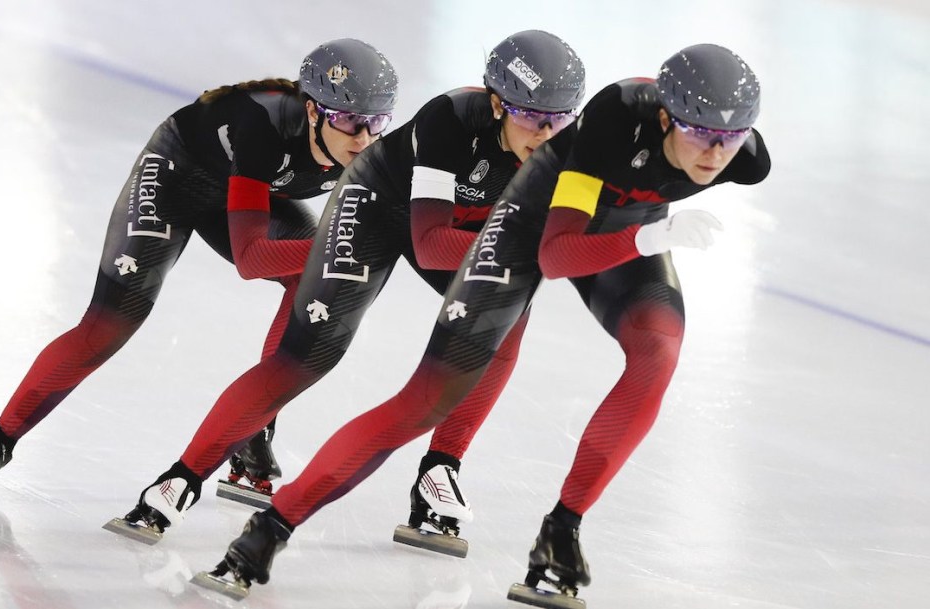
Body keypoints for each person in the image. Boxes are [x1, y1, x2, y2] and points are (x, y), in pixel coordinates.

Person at [197, 43, 771, 605]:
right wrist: (653, 236)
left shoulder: (747, 158)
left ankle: (560, 533)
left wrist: (647, 230)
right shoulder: (611, 122)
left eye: (730, 136)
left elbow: (704, 169)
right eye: (700, 133)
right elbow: (557, 255)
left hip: (629, 226)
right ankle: (270, 529)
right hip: (540, 225)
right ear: (666, 117)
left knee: (658, 355)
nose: (715, 153)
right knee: (425, 401)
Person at [111, 30, 587, 545]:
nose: (544, 132)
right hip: (378, 209)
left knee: (509, 315)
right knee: (311, 355)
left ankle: (440, 471)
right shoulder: (449, 118)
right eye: (528, 115)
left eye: (559, 118)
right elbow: (429, 243)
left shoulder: (570, 147)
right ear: (496, 103)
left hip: (454, 228)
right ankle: (180, 479)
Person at [0, 38, 399, 501]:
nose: (365, 138)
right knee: (111, 322)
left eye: (377, 122)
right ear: (314, 110)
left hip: (248, 192)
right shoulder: (262, 122)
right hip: (178, 177)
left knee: (312, 279)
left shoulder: (373, 151)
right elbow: (252, 258)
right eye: (351, 121)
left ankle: (254, 424)